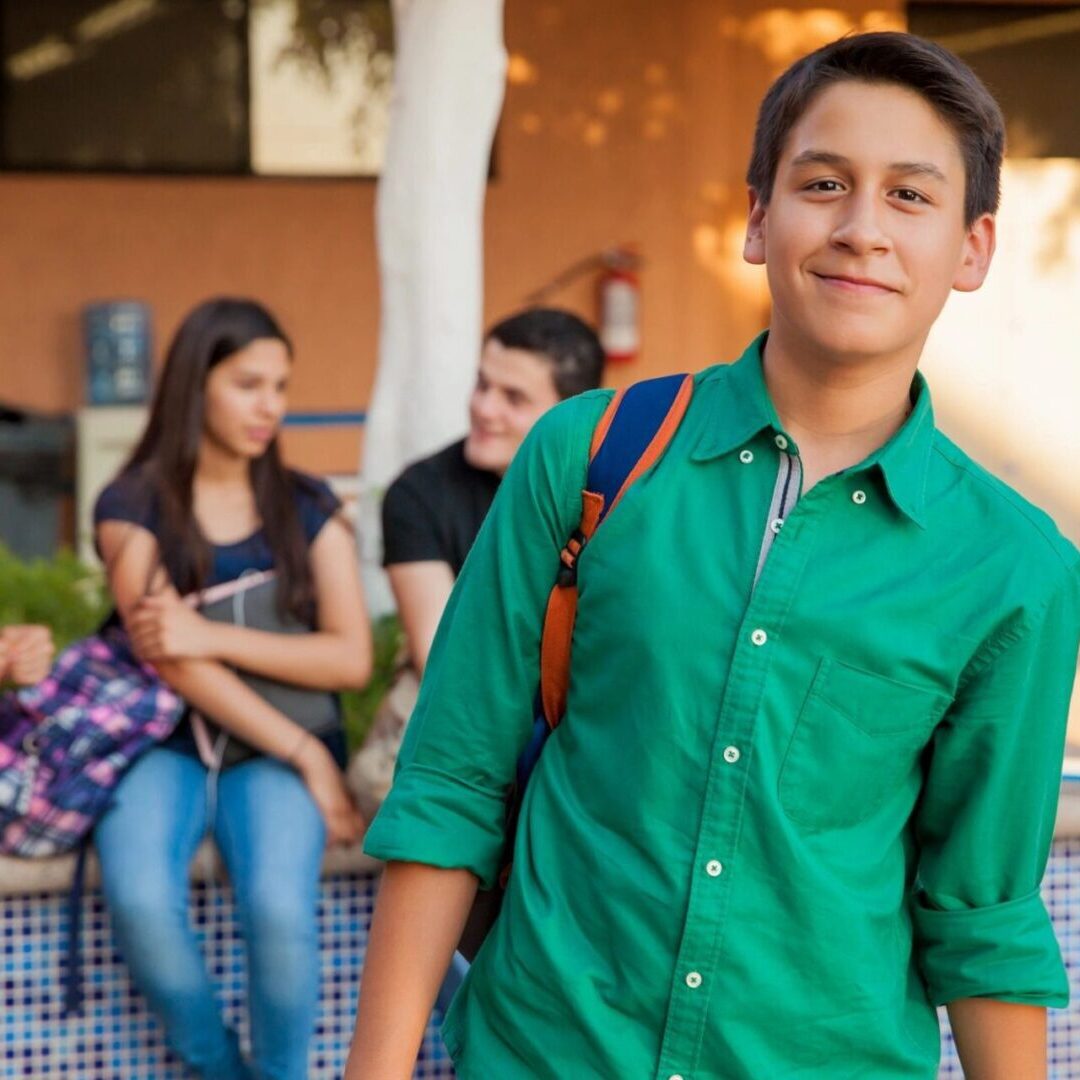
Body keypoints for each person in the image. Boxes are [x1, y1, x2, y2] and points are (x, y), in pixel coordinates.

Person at [347, 31, 1080, 1079]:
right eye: (823, 183)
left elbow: (984, 910)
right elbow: (452, 782)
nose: (862, 228)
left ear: (972, 249)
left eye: (911, 196)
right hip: (547, 1051)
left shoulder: (1015, 571)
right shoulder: (588, 454)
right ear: (756, 219)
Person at [93, 298, 370, 1080]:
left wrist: (208, 632)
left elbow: (349, 658)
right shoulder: (132, 505)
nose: (270, 407)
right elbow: (167, 661)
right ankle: (222, 1070)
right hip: (163, 741)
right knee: (143, 901)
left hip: (275, 750)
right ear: (196, 385)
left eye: (281, 386)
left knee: (280, 911)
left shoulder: (310, 506)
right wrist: (309, 757)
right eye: (249, 384)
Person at [381, 307, 605, 675]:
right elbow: (439, 659)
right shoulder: (419, 493)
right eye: (482, 385)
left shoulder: (613, 489)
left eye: (513, 398)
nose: (484, 409)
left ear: (571, 415)